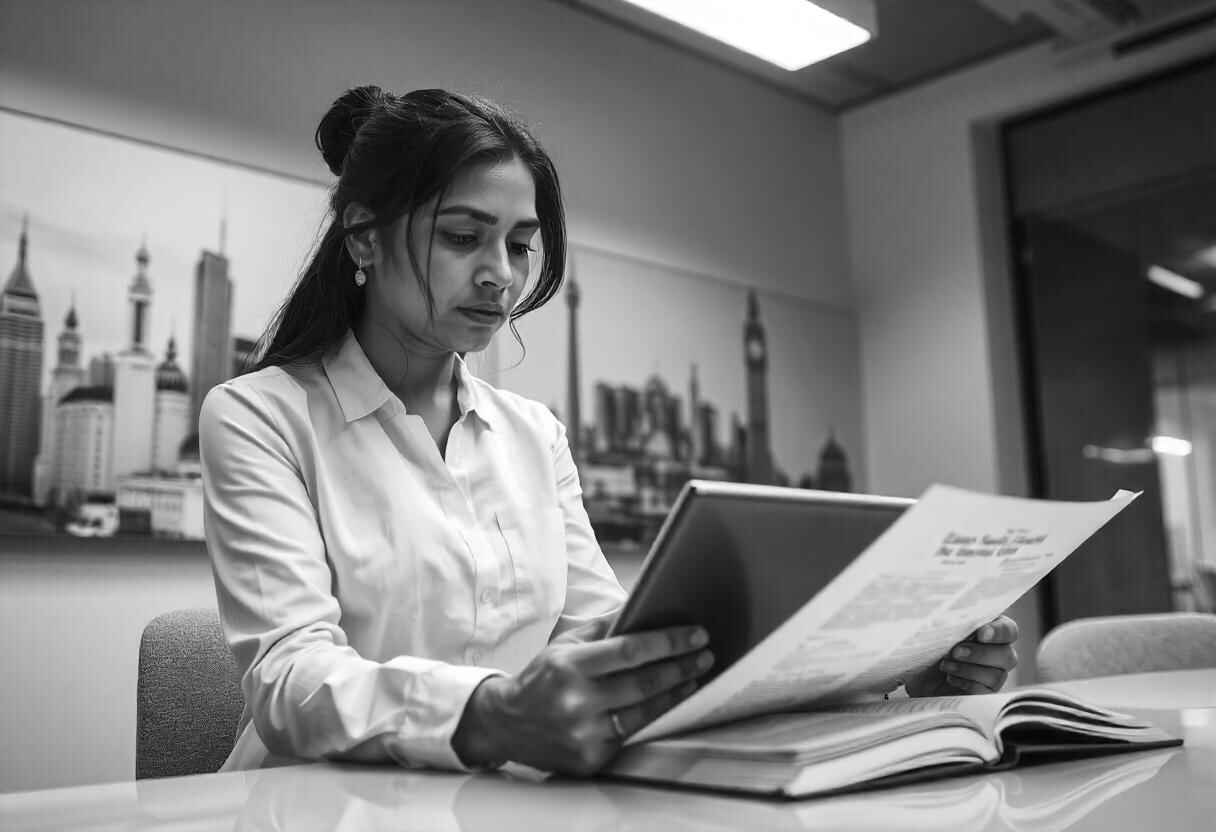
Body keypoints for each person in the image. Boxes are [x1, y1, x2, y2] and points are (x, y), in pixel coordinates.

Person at [199, 85, 1019, 779]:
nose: (501, 274)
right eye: (462, 237)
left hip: (502, 801)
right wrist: (493, 714)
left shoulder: (532, 435)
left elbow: (600, 634)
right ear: (364, 240)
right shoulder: (259, 415)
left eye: (520, 246)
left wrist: (888, 671)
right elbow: (291, 678)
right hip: (314, 807)